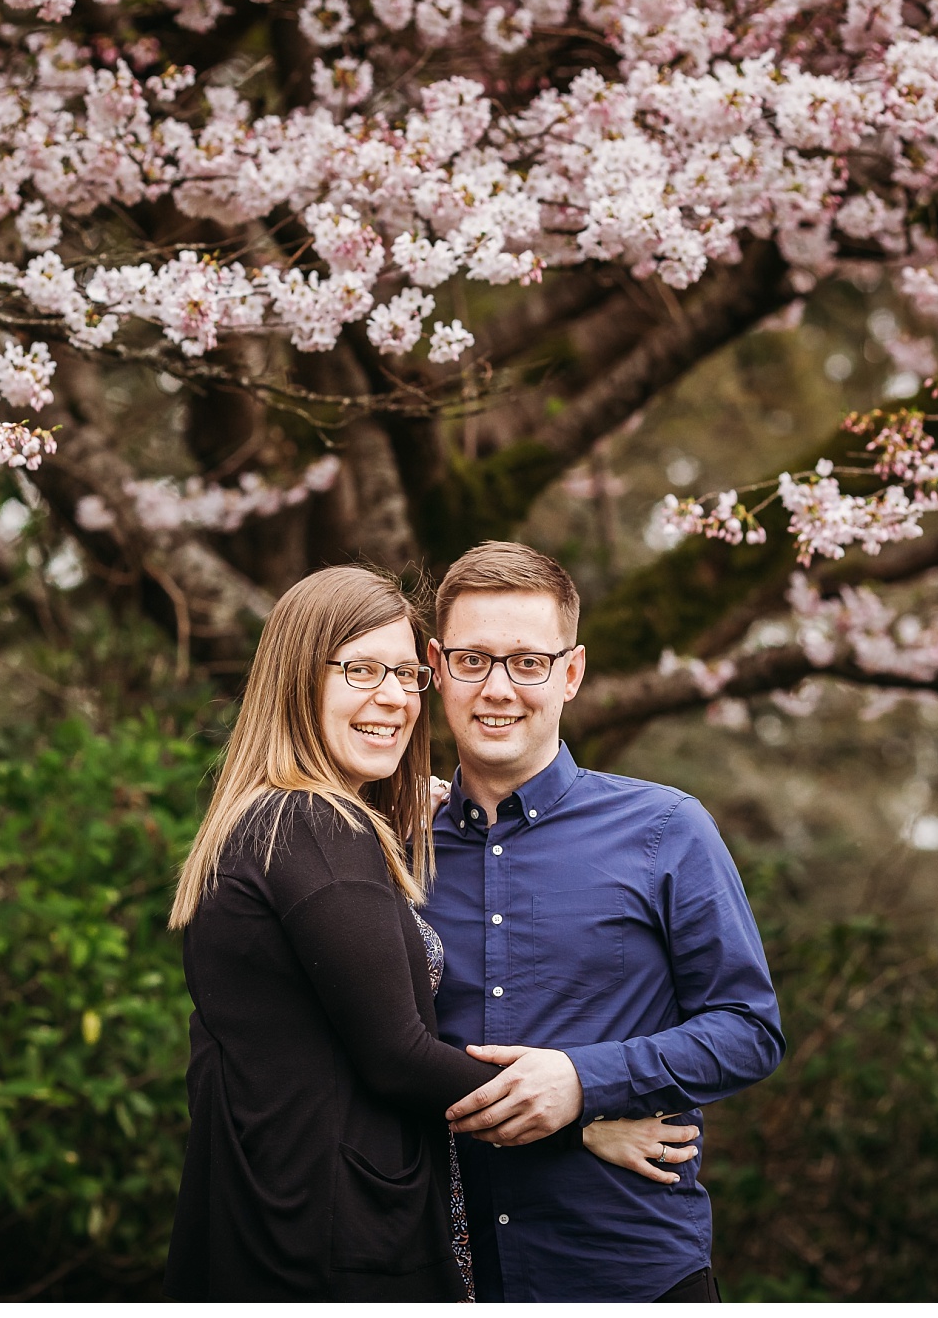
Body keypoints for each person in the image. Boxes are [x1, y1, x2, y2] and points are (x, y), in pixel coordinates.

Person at [163, 565, 699, 1301]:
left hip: (279, 1214)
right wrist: (580, 1116)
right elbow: (398, 1055)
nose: (392, 696)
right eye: (360, 669)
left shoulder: (288, 823)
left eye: (406, 673)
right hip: (327, 1237)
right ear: (296, 678)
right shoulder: (316, 826)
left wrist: (392, 821)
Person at [422, 541, 786, 1303]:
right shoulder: (397, 849)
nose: (497, 688)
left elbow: (749, 1029)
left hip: (632, 1272)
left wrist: (584, 1082)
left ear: (571, 673)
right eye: (473, 660)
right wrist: (573, 1124)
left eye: (527, 662)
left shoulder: (667, 829)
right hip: (449, 1276)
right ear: (435, 665)